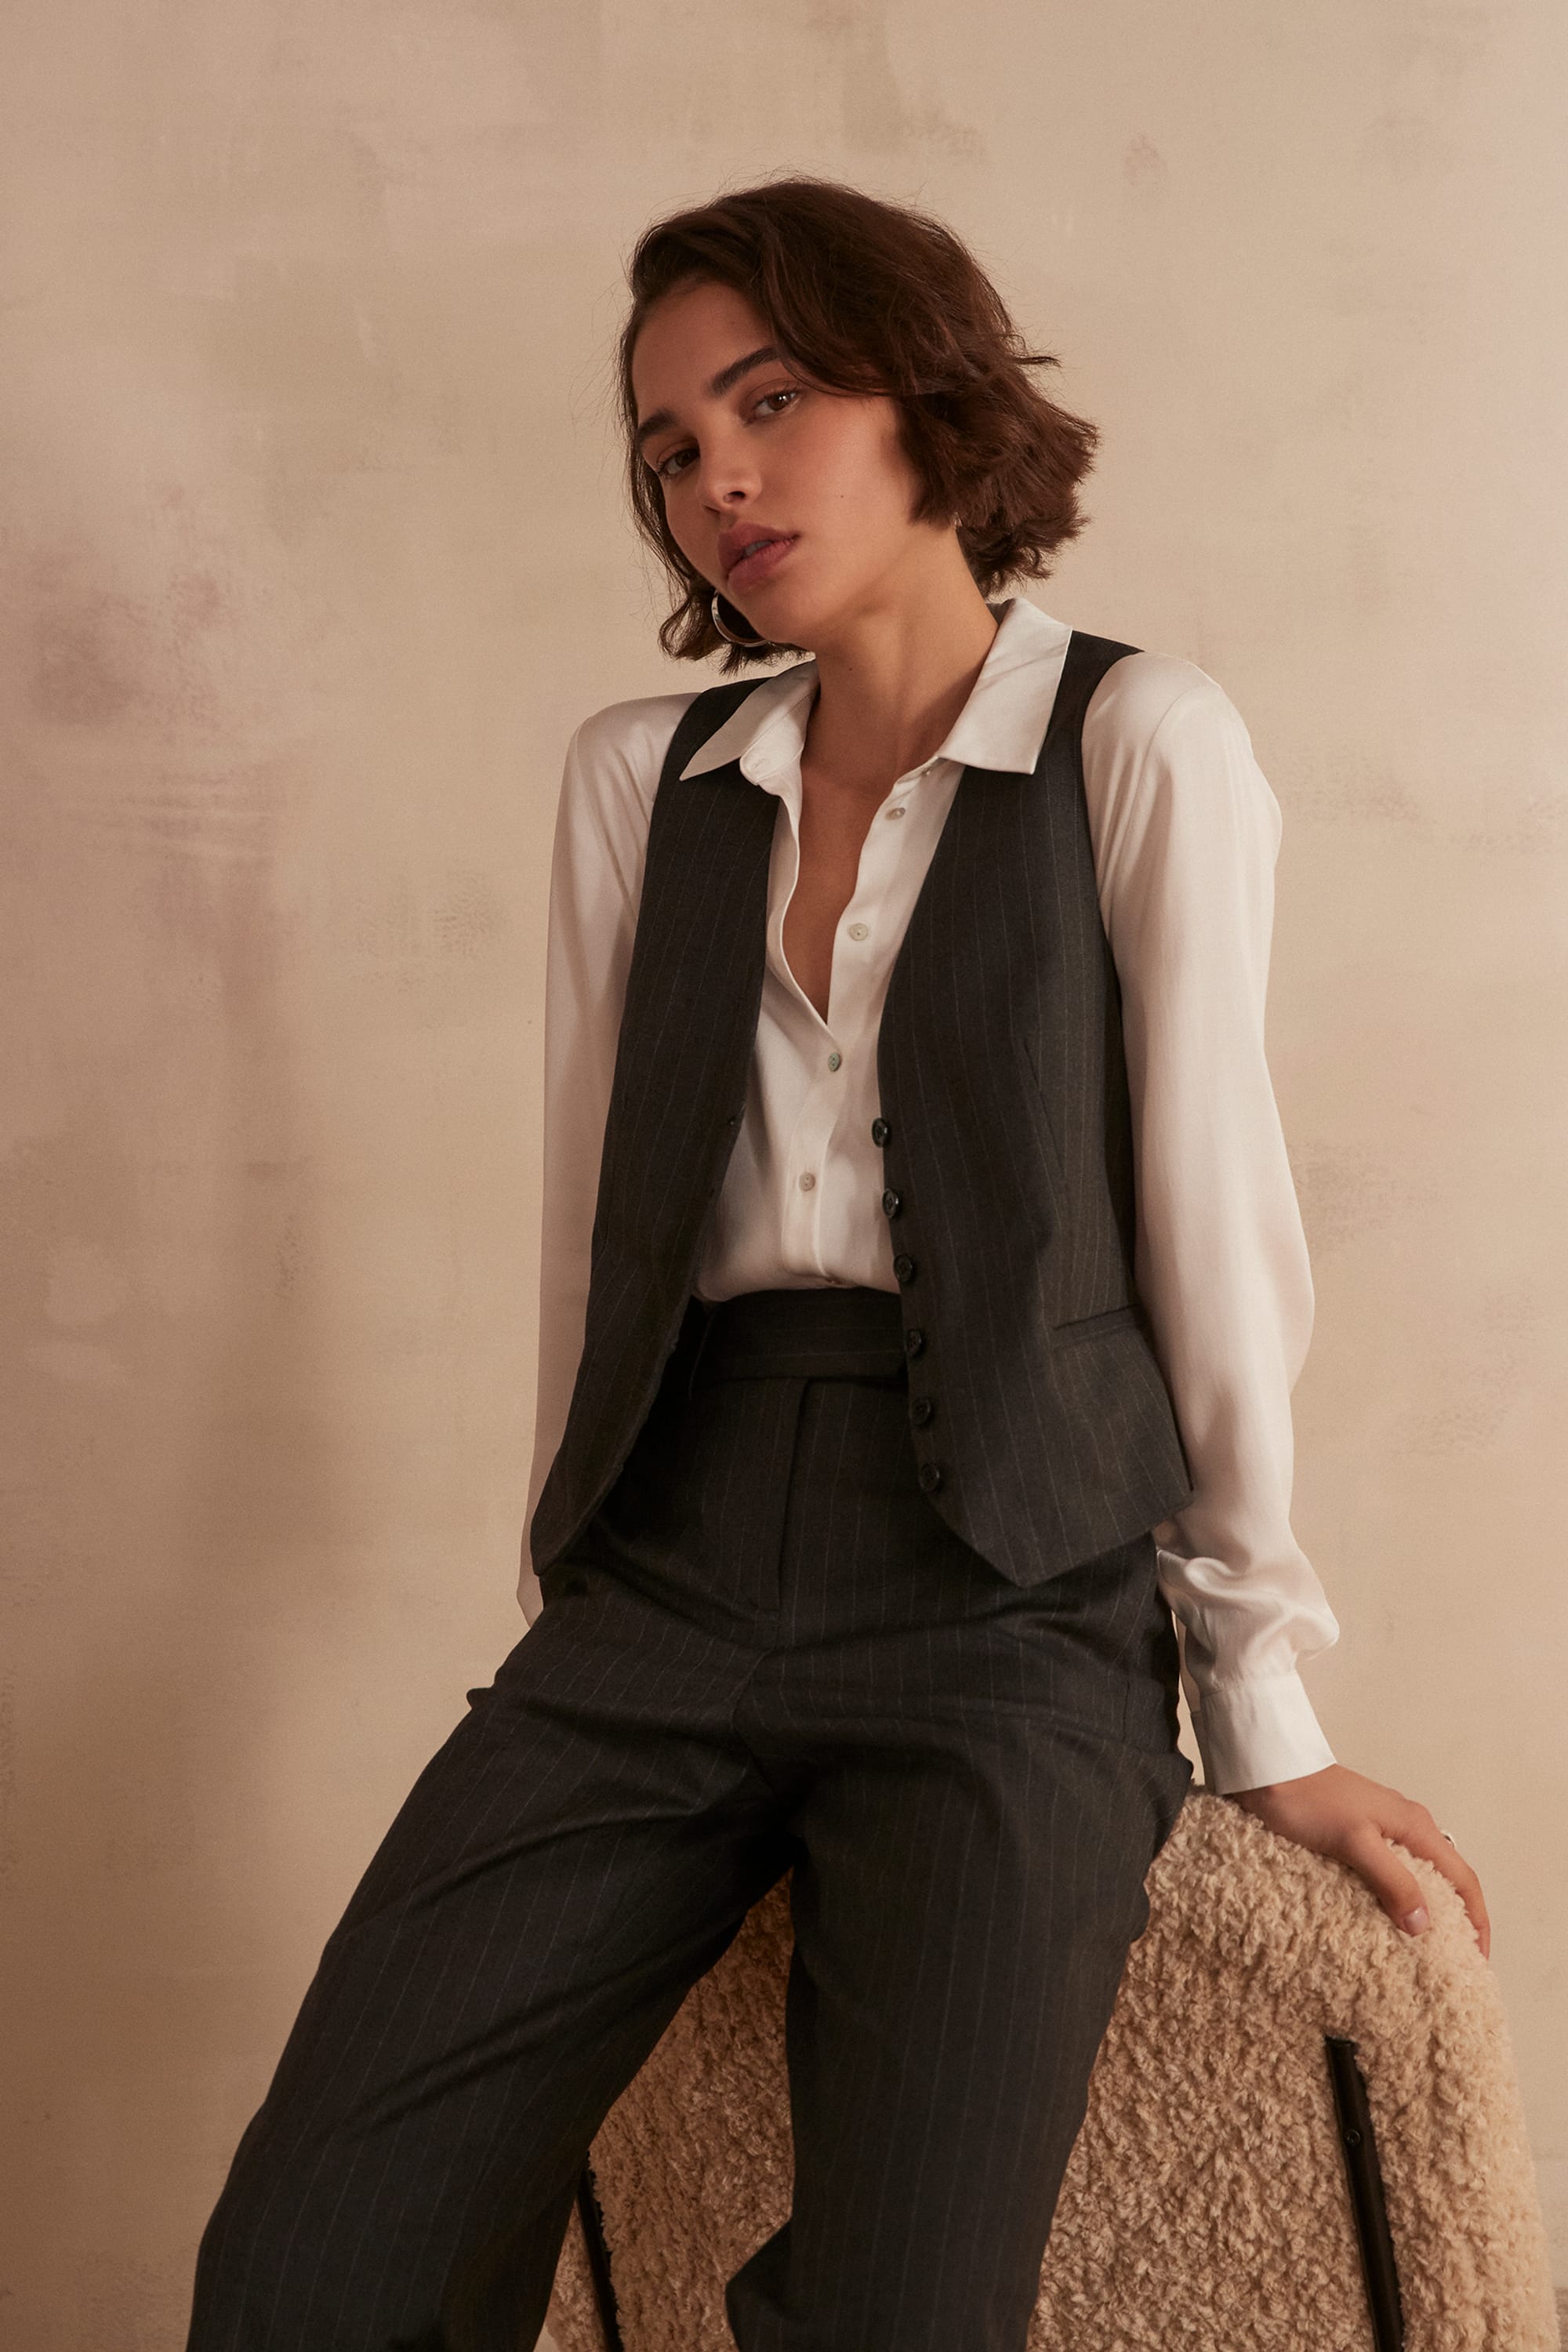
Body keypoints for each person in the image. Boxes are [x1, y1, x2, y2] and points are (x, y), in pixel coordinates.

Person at [184, 175, 1490, 2352]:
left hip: (1007, 1601)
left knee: (899, 2313)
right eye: (671, 447)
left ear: (924, 390)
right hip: (668, 1574)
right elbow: (600, 1228)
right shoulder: (647, 780)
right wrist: (574, 1568)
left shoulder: (1139, 741)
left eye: (769, 400)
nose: (718, 478)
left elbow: (1216, 1235)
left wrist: (1260, 1701)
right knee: (311, 2263)